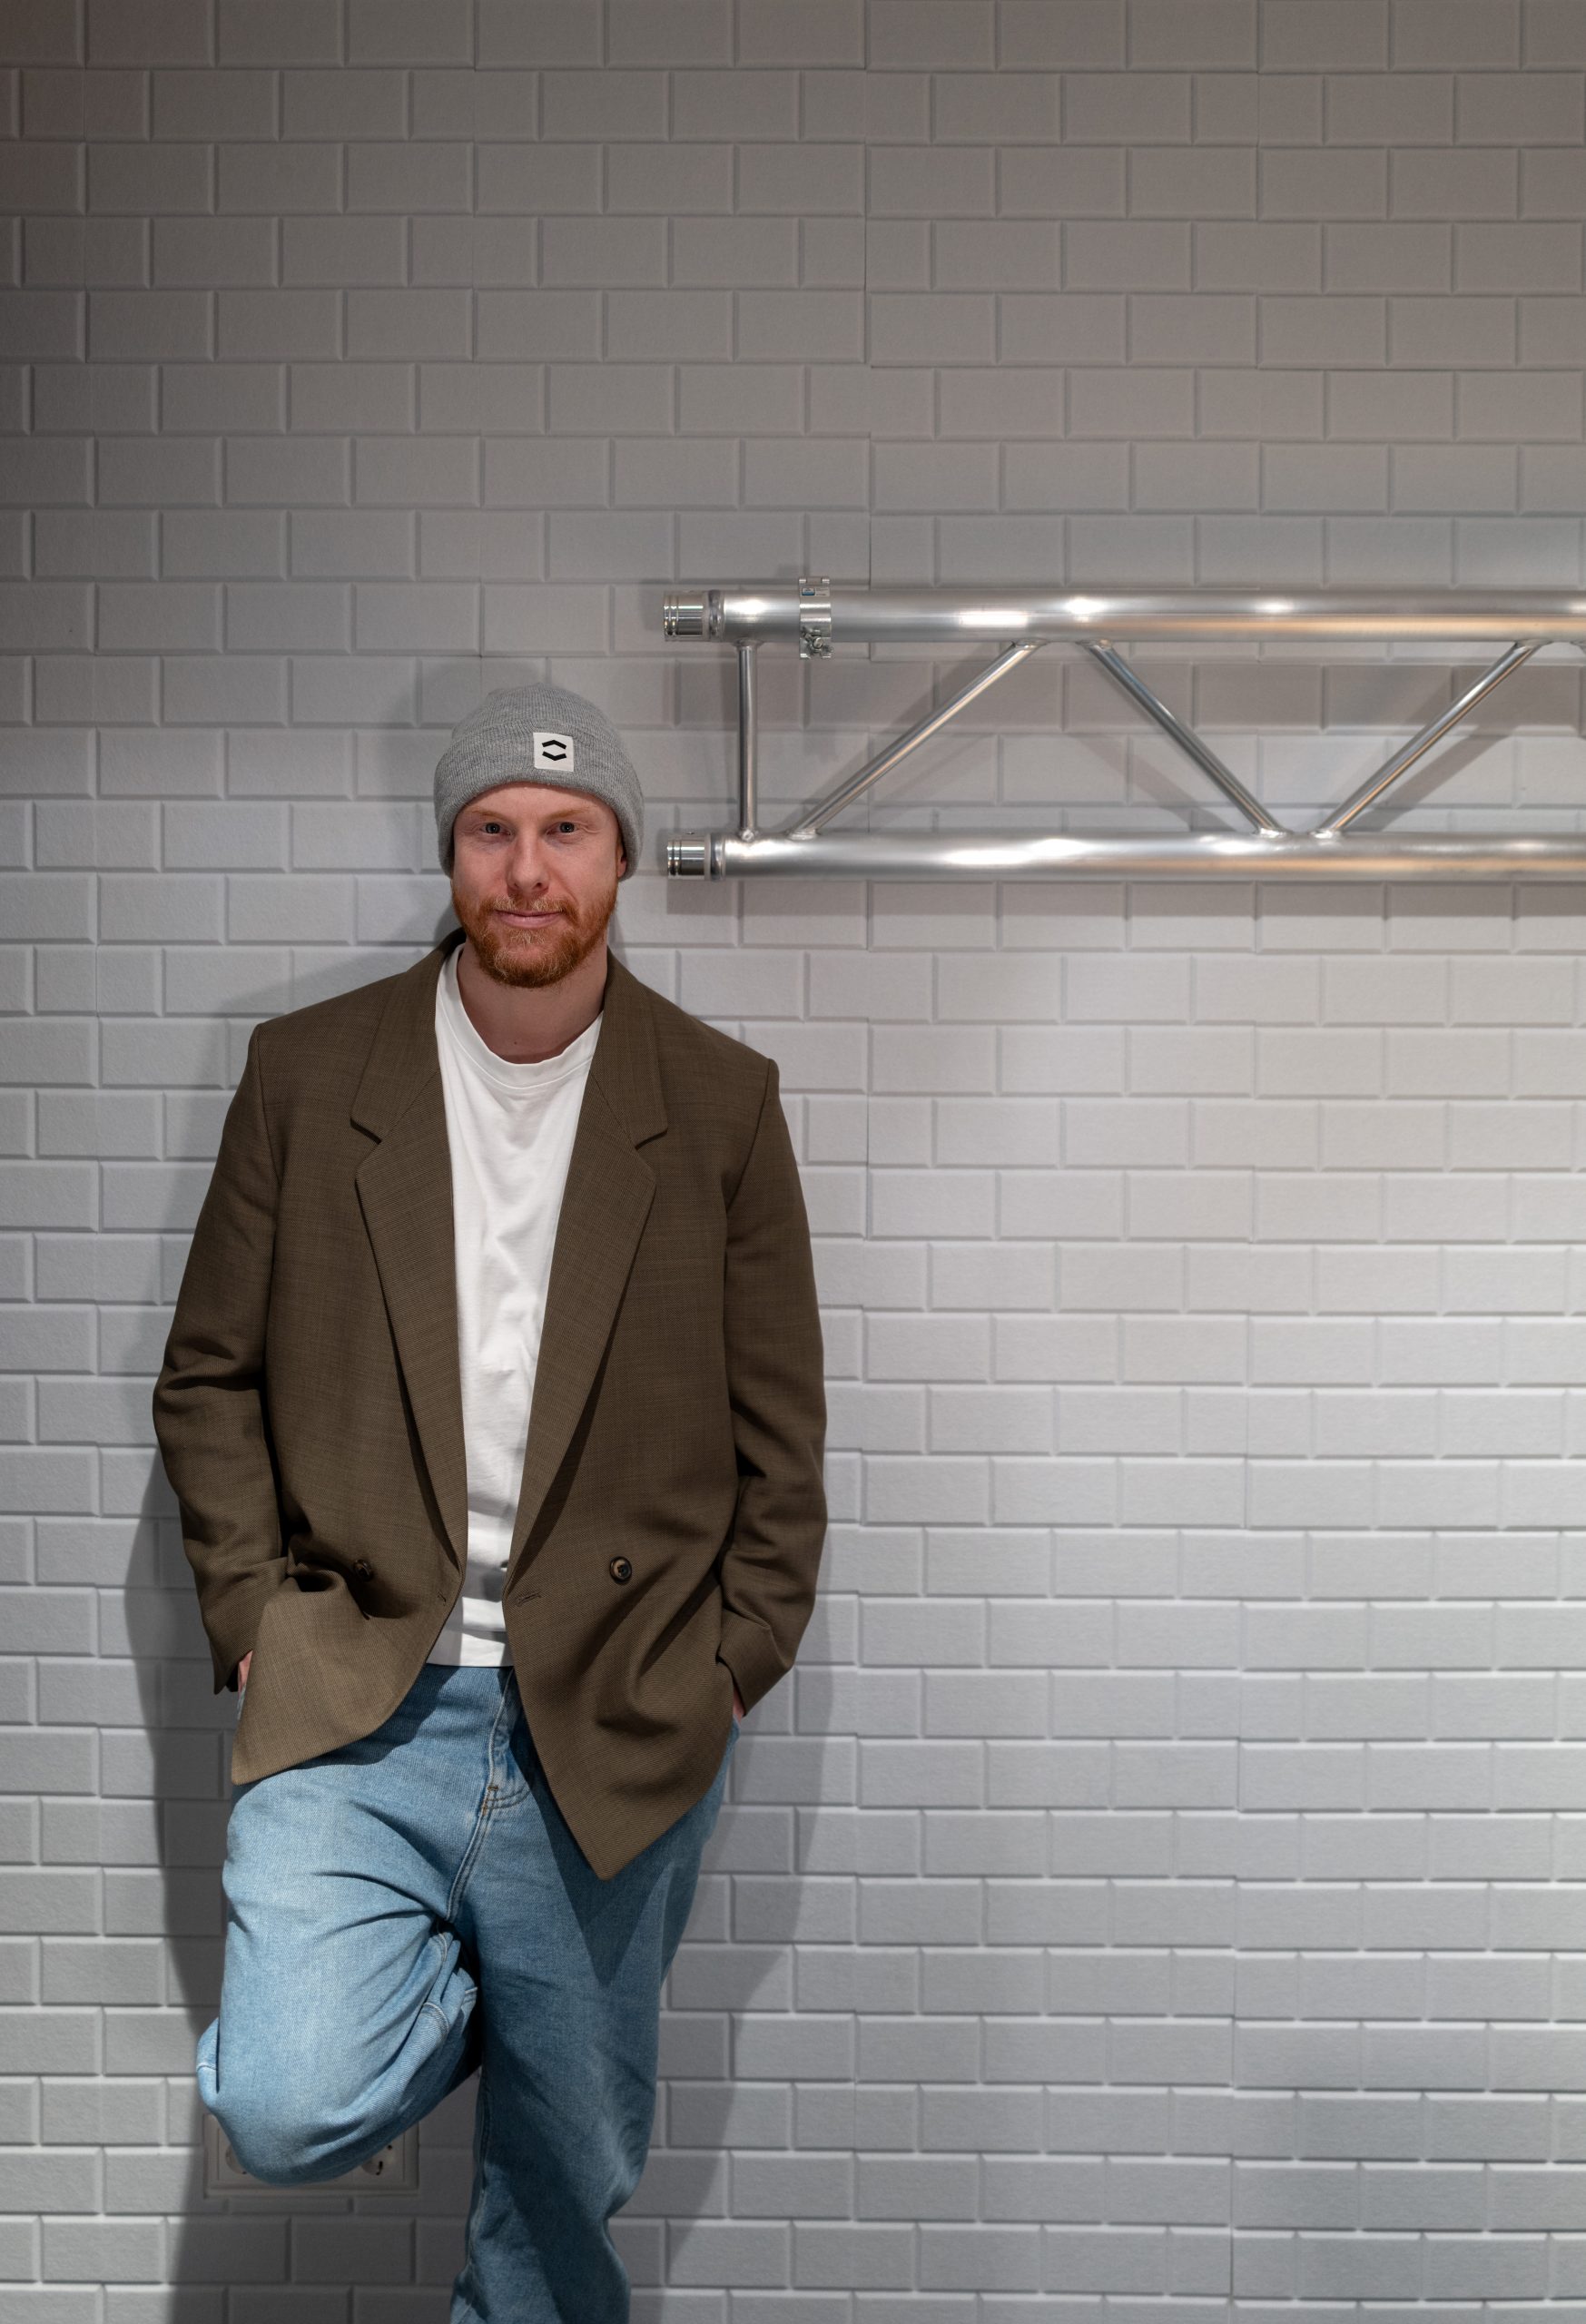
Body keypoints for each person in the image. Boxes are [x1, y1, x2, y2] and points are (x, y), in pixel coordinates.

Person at [151, 681, 829, 2322]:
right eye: (493, 831)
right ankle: (498, 1999)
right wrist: (250, 1624)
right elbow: (209, 1377)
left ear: (621, 859)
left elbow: (782, 1441)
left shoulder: (719, 1103)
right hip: (356, 1692)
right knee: (287, 2100)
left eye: (567, 831)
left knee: (560, 2196)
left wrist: (730, 1667)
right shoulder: (307, 1074)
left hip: (619, 1706)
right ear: (451, 854)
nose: (529, 870)